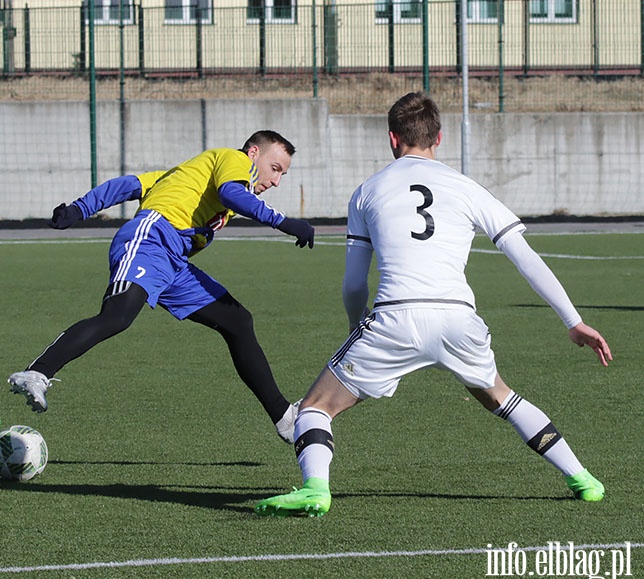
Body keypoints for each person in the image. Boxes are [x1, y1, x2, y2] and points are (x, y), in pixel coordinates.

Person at [255, 92, 612, 517]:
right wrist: (573, 321)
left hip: (396, 317)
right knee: (502, 397)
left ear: (392, 138)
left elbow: (353, 284)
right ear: (438, 138)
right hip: (458, 319)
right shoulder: (466, 187)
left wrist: (357, 328)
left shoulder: (367, 191)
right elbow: (525, 257)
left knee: (316, 407)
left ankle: (315, 488)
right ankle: (582, 478)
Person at [8, 131, 315, 443]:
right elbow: (232, 194)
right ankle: (37, 372)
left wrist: (79, 209)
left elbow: (131, 185)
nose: (276, 181)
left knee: (237, 321)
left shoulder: (190, 174)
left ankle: (283, 417)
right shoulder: (232, 160)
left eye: (283, 175)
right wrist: (286, 222)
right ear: (253, 153)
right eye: (275, 168)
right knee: (117, 316)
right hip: (150, 239)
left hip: (173, 261)